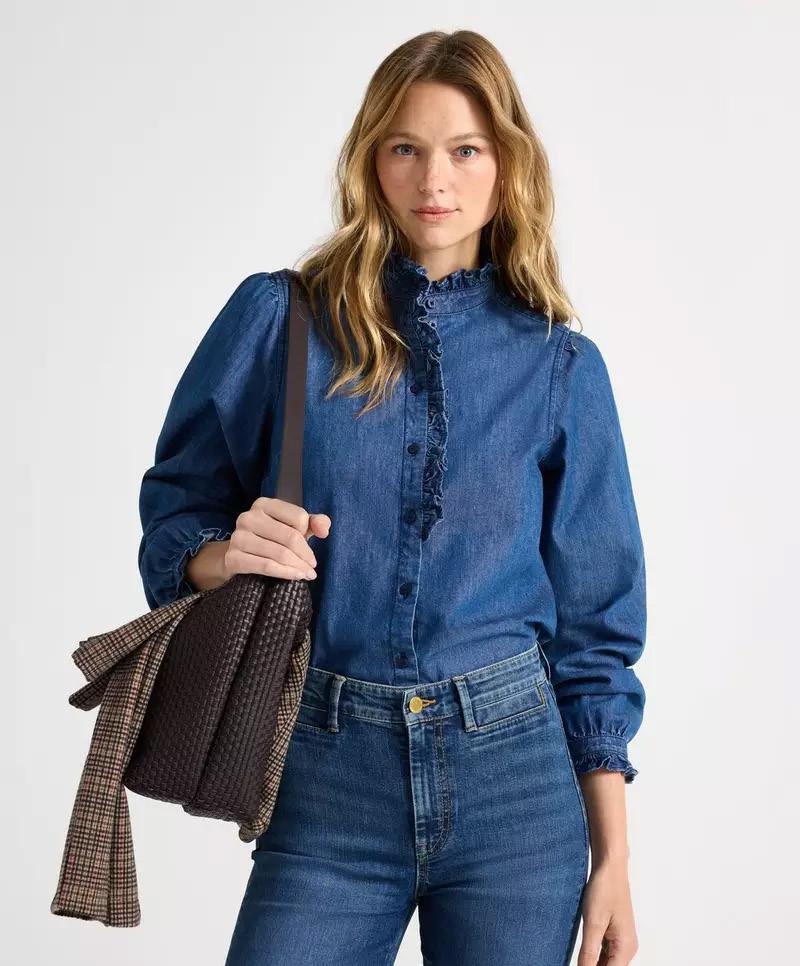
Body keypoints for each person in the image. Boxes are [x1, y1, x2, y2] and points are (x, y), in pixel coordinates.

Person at [138, 29, 646, 966]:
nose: (433, 180)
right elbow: (177, 507)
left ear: (507, 165)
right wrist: (222, 554)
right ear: (371, 161)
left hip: (517, 789)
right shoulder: (284, 318)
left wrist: (612, 858)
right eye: (405, 148)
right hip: (326, 776)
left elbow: (596, 629)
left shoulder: (560, 366)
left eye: (466, 150)